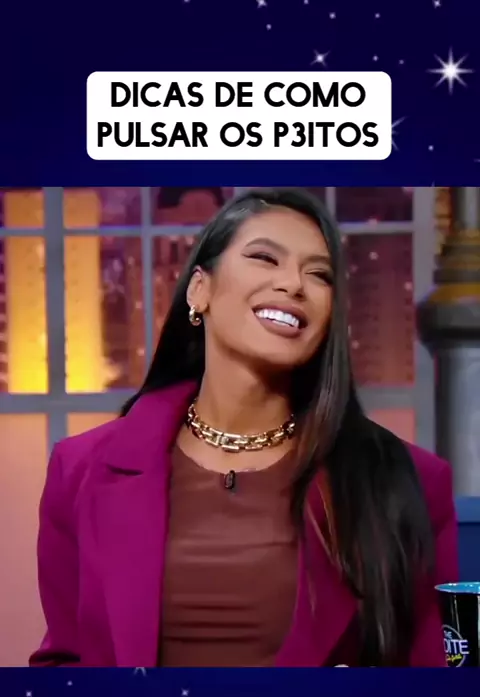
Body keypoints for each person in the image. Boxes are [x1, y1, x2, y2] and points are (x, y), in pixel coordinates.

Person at [29, 187, 458, 668]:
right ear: (199, 290)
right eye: (264, 258)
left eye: (319, 274)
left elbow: (433, 682)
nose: (293, 284)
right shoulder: (80, 470)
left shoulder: (405, 480)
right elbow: (63, 671)